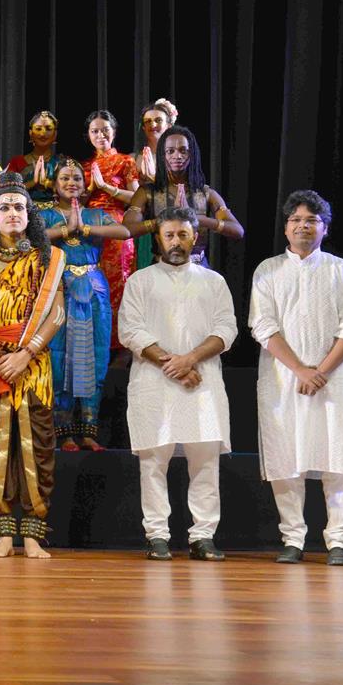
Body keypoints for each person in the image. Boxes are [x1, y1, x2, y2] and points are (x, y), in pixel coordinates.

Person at [249, 191, 343, 566]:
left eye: (311, 220)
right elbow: (262, 325)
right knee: (287, 457)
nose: (303, 225)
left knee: (336, 456)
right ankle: (293, 538)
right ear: (286, 227)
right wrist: (300, 370)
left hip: (333, 380)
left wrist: (322, 370)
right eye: (296, 219)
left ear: (324, 227)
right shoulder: (268, 270)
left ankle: (337, 540)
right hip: (283, 380)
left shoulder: (341, 270)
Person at [118, 207, 237, 561]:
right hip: (154, 382)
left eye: (183, 235)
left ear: (194, 237)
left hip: (202, 382)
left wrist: (190, 360)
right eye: (169, 235)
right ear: (158, 238)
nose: (176, 241)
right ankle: (157, 535)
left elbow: (226, 329)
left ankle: (203, 536)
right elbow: (130, 330)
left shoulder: (213, 282)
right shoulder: (141, 280)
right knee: (154, 461)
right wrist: (175, 363)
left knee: (204, 461)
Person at [0, 173, 65, 559]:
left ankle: (35, 535)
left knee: (37, 446)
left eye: (19, 207)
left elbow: (57, 315)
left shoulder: (47, 260)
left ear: (30, 214)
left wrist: (24, 354)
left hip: (35, 365)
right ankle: (4, 534)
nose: (12, 213)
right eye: (3, 207)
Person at [39, 159, 132, 451]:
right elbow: (32, 239)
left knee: (95, 353)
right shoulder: (44, 214)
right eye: (65, 178)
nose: (71, 183)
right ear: (53, 185)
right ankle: (63, 432)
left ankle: (89, 430)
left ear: (86, 184)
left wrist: (87, 229)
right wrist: (66, 230)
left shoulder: (96, 214)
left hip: (93, 289)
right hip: (59, 288)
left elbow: (125, 232)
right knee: (60, 355)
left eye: (77, 178)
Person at [124, 125, 244, 267]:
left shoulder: (206, 193)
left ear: (191, 154)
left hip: (198, 270)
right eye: (170, 151)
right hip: (161, 270)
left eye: (183, 151)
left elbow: (238, 231)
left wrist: (198, 219)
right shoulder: (147, 192)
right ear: (163, 155)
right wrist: (164, 221)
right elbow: (127, 230)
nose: (177, 156)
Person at [81, 110, 139, 348]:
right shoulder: (84, 166)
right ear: (88, 135)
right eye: (95, 131)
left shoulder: (126, 161)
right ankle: (98, 344)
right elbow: (76, 200)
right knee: (93, 285)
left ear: (114, 132)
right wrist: (90, 189)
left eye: (105, 129)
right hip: (89, 228)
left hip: (117, 228)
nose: (100, 134)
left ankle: (122, 345)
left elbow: (136, 197)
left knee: (119, 284)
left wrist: (107, 188)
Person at [129, 99, 178, 269]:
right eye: (148, 121)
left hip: (172, 222)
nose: (153, 124)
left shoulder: (178, 158)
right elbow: (133, 197)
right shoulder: (133, 159)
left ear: (169, 125)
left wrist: (155, 179)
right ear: (143, 128)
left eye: (158, 120)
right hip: (143, 225)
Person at [4, 111, 63, 205]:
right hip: (23, 213)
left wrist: (48, 183)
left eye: (48, 129)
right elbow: (5, 192)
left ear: (55, 134)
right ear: (31, 133)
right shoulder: (17, 162)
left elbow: (72, 191)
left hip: (57, 215)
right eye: (38, 129)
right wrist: (32, 183)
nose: (43, 133)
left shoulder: (62, 162)